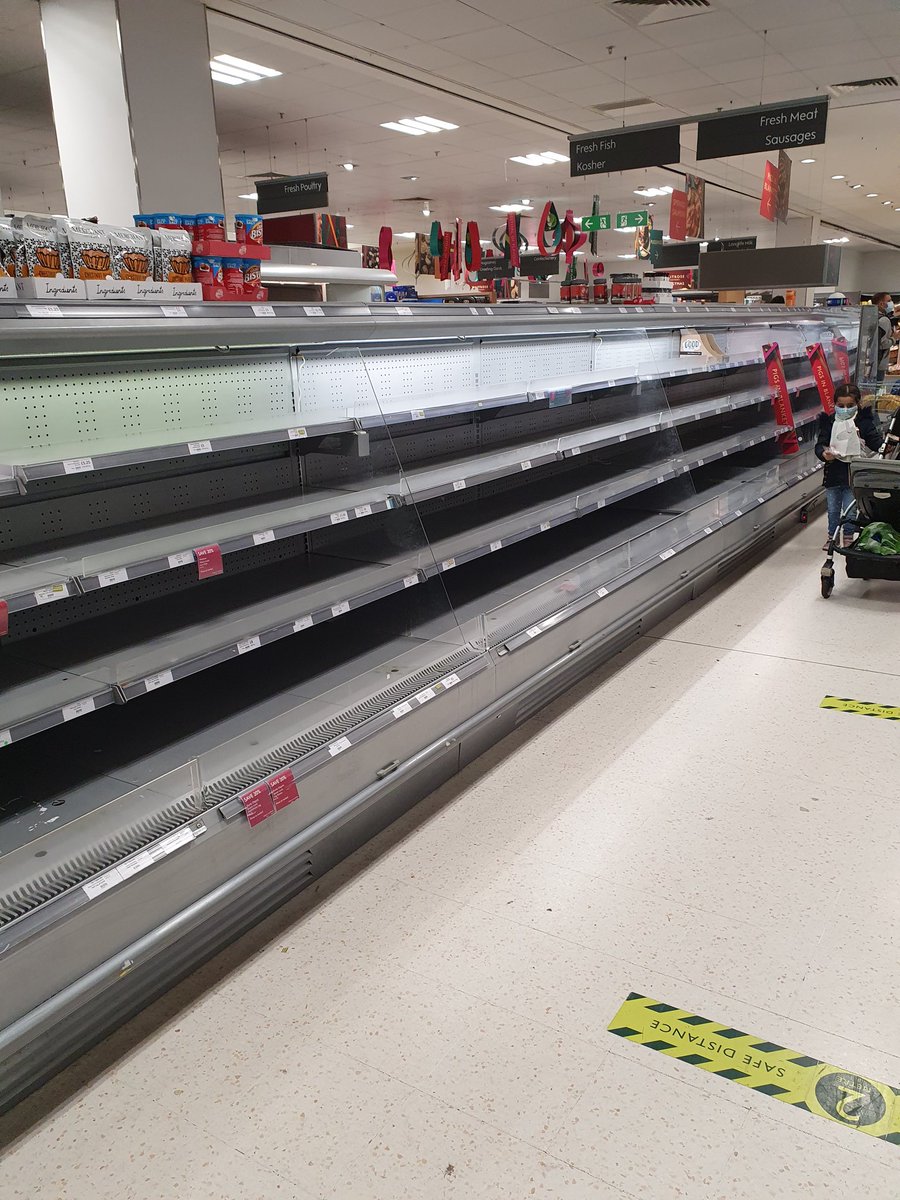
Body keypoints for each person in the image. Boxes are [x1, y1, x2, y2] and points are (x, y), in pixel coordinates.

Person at [815, 383, 882, 549]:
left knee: (851, 510)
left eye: (850, 406)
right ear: (835, 405)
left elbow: (875, 441)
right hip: (833, 475)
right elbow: (820, 444)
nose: (845, 409)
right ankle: (832, 537)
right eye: (841, 406)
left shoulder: (863, 423)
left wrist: (885, 446)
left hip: (854, 476)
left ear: (858, 403)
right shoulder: (830, 423)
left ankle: (848, 536)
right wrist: (824, 454)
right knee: (832, 510)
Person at [872, 292, 894, 382]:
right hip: (880, 363)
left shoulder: (869, 316)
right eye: (889, 301)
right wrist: (894, 338)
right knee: (877, 390)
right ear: (881, 303)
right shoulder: (884, 320)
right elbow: (882, 344)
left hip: (870, 361)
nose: (891, 303)